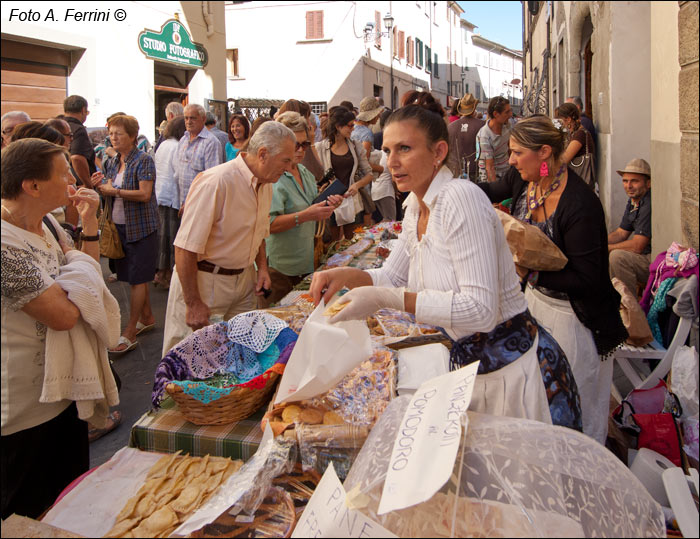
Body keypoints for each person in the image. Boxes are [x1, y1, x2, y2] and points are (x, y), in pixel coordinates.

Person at [310, 94, 582, 431]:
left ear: (438, 152)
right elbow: (393, 276)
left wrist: (383, 299)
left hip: (514, 379)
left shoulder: (459, 199)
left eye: (404, 149)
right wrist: (348, 275)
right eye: (388, 150)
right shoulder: (416, 206)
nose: (391, 161)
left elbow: (480, 309)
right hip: (475, 371)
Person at [479, 116, 627, 444]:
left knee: (574, 411)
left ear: (544, 152)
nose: (511, 160)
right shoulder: (525, 182)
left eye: (517, 153)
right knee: (538, 403)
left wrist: (529, 271)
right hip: (535, 307)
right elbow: (491, 188)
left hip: (574, 322)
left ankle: (581, 483)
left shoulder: (579, 204)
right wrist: (446, 185)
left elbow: (588, 279)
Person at [1, 138, 106, 519]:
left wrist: (90, 222)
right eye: (63, 175)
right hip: (22, 411)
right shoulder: (3, 245)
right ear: (31, 186)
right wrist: (71, 281)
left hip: (64, 391)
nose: (72, 181)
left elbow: (90, 278)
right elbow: (63, 315)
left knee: (69, 504)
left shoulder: (48, 223)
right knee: (27, 514)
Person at [161, 122, 296, 355]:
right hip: (205, 282)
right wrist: (193, 303)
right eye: (286, 160)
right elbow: (184, 248)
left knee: (237, 358)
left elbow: (259, 231)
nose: (290, 167)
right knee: (192, 361)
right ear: (263, 154)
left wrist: (262, 267)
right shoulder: (217, 181)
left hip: (243, 282)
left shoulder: (266, 185)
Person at [90, 115, 158, 355]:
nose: (113, 137)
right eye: (111, 133)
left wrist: (114, 190)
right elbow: (108, 188)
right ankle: (147, 317)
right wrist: (98, 184)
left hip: (141, 227)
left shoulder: (144, 160)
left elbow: (144, 194)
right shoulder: (111, 161)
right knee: (130, 276)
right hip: (118, 227)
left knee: (138, 279)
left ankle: (130, 329)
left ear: (132, 136)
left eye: (119, 133)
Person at [262, 112, 343, 307]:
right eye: (295, 144)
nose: (300, 150)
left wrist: (328, 205)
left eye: (305, 144)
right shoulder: (273, 176)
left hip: (306, 262)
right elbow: (268, 225)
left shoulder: (304, 172)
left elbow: (312, 209)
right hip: (280, 268)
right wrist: (307, 215)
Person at [315, 107, 374, 240]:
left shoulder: (356, 146)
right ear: (338, 126)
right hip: (330, 201)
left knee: (353, 242)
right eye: (350, 125)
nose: (353, 128)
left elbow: (369, 174)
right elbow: (315, 176)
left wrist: (357, 185)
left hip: (351, 199)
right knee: (331, 245)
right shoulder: (321, 148)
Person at [608, 158, 653, 296]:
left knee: (617, 257)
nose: (629, 185)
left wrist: (607, 248)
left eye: (634, 181)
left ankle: (630, 308)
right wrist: (598, 242)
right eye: (625, 181)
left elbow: (638, 246)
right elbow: (621, 233)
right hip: (643, 255)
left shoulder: (648, 203)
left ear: (648, 183)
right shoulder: (634, 200)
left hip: (653, 260)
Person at [154, 116, 187, 290]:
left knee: (163, 238)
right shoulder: (177, 146)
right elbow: (178, 174)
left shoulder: (164, 144)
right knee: (172, 238)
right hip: (173, 197)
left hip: (161, 195)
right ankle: (169, 275)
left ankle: (161, 272)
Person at [176, 104, 223, 211]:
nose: (189, 121)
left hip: (200, 206)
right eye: (186, 118)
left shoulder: (211, 142)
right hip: (184, 204)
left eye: (193, 118)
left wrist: (194, 202)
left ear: (203, 119)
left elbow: (212, 180)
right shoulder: (183, 140)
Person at [555, 102, 596, 189]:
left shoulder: (580, 134)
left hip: (582, 183)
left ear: (568, 119)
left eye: (560, 119)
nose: (559, 123)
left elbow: (564, 159)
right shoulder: (574, 134)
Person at [447, 93, 485, 181]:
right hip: (475, 170)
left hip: (455, 171)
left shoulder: (451, 127)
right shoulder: (482, 125)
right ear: (474, 108)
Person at [63, 95, 97, 186]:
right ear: (83, 110)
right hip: (77, 185)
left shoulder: (54, 125)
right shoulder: (78, 129)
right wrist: (88, 184)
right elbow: (77, 158)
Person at [477, 96, 512, 183]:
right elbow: (489, 168)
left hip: (506, 173)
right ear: (496, 114)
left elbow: (510, 148)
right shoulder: (484, 136)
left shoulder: (506, 126)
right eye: (507, 112)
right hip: (492, 178)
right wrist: (495, 189)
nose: (510, 115)